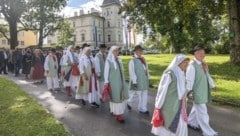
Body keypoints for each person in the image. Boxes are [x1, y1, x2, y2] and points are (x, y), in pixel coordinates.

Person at [151, 54, 189, 136]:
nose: (187, 64)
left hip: (180, 105)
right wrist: (158, 106)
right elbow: (162, 90)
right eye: (184, 62)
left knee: (180, 124)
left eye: (187, 62)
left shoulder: (181, 73)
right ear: (178, 63)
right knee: (169, 124)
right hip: (169, 106)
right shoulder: (169, 74)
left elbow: (182, 90)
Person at [186, 45, 217, 136]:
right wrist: (189, 92)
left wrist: (212, 85)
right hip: (197, 92)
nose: (201, 54)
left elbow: (207, 75)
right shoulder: (192, 65)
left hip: (203, 90)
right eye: (199, 52)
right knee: (203, 112)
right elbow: (189, 80)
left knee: (197, 108)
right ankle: (208, 132)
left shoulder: (203, 63)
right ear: (195, 54)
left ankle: (191, 122)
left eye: (203, 52)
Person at [104, 46, 129, 123]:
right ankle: (119, 115)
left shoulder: (119, 60)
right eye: (115, 51)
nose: (116, 52)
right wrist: (106, 82)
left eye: (117, 51)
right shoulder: (108, 61)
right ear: (111, 52)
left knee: (120, 97)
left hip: (121, 82)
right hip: (114, 83)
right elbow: (106, 72)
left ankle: (116, 112)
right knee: (116, 98)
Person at [127, 45, 150, 114]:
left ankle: (142, 108)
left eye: (141, 50)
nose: (140, 52)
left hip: (144, 79)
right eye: (139, 50)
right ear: (135, 51)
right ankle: (129, 102)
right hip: (137, 80)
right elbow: (132, 72)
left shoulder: (143, 59)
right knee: (136, 93)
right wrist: (134, 81)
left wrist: (148, 77)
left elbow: (146, 69)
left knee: (144, 93)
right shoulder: (132, 61)